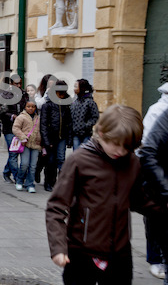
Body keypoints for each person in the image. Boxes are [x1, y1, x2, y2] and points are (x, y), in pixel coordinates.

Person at [46, 104, 157, 284]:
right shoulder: (79, 161)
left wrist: (162, 206)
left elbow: (138, 200)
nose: (120, 151)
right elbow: (56, 208)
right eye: (116, 145)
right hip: (81, 252)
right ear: (102, 133)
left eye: (127, 147)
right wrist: (58, 247)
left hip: (119, 253)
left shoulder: (132, 162)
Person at [140, 83, 168, 280]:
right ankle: (155, 259)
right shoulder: (158, 111)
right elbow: (148, 148)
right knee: (154, 220)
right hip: (158, 180)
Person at [40, 80, 73, 192]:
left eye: (63, 93)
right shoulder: (47, 106)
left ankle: (60, 184)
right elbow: (43, 124)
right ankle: (49, 182)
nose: (61, 95)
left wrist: (69, 139)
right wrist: (46, 140)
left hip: (62, 137)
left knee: (61, 159)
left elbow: (69, 123)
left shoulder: (66, 106)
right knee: (50, 161)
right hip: (50, 137)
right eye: (60, 93)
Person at [0, 74, 29, 183]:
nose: (18, 85)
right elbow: (2, 112)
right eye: (16, 83)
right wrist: (12, 116)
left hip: (22, 128)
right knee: (13, 153)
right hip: (9, 128)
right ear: (11, 84)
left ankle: (7, 171)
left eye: (20, 83)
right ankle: (17, 177)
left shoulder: (24, 94)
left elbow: (28, 107)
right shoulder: (6, 95)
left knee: (17, 152)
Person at [12, 100, 42, 193]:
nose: (31, 108)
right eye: (28, 106)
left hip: (36, 145)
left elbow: (41, 130)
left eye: (33, 107)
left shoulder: (38, 118)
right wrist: (22, 137)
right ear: (25, 107)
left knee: (33, 166)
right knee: (24, 164)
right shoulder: (21, 117)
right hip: (25, 144)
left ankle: (30, 184)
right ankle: (19, 180)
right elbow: (15, 128)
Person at [71, 79, 99, 150]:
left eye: (76, 86)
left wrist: (85, 126)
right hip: (75, 134)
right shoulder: (75, 101)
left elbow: (95, 117)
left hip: (86, 134)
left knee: (85, 153)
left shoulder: (90, 102)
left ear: (82, 88)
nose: (74, 89)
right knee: (76, 154)